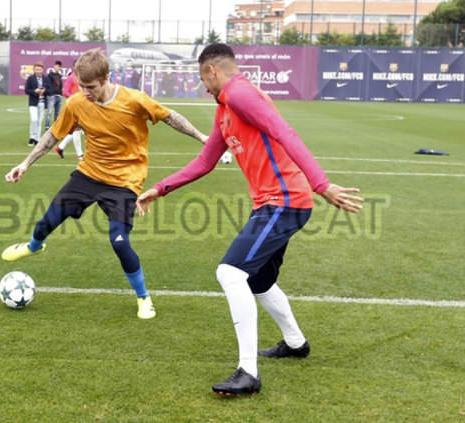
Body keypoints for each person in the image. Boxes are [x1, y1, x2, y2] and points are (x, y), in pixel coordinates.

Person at [136, 44, 364, 396]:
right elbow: (206, 161)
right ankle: (296, 343)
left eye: (203, 80)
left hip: (285, 201)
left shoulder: (241, 94)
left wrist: (322, 184)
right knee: (258, 280)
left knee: (230, 272)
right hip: (273, 204)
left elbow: (285, 133)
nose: (204, 88)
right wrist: (161, 188)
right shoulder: (225, 109)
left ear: (212, 70)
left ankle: (248, 373)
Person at [1, 48, 211, 320]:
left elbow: (170, 116)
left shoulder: (134, 100)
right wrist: (25, 164)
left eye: (91, 87)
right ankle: (33, 246)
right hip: (89, 174)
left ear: (106, 78)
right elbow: (52, 136)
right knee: (46, 222)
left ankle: (143, 297)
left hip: (125, 181)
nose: (85, 92)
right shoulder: (77, 103)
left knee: (120, 242)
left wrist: (202, 137)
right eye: (81, 86)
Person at [54, 59, 84, 160]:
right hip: (74, 106)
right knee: (77, 129)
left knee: (79, 129)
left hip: (82, 106)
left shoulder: (83, 77)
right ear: (74, 66)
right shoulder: (71, 77)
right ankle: (80, 155)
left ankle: (60, 147)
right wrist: (74, 98)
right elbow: (65, 92)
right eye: (77, 65)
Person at [24, 62, 48, 146]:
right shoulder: (30, 78)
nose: (38, 71)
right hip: (33, 103)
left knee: (39, 121)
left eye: (40, 69)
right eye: (37, 69)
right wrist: (35, 91)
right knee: (34, 119)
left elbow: (50, 90)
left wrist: (45, 91)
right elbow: (26, 90)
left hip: (42, 102)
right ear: (34, 70)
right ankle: (32, 137)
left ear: (42, 70)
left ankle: (37, 139)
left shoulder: (46, 78)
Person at [44, 60, 63, 130]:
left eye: (59, 67)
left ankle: (56, 126)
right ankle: (47, 126)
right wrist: (50, 93)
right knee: (49, 112)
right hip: (51, 96)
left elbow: (60, 86)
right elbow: (47, 86)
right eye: (57, 66)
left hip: (59, 96)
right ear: (54, 66)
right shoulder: (49, 75)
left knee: (57, 113)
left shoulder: (59, 76)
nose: (58, 67)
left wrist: (60, 94)